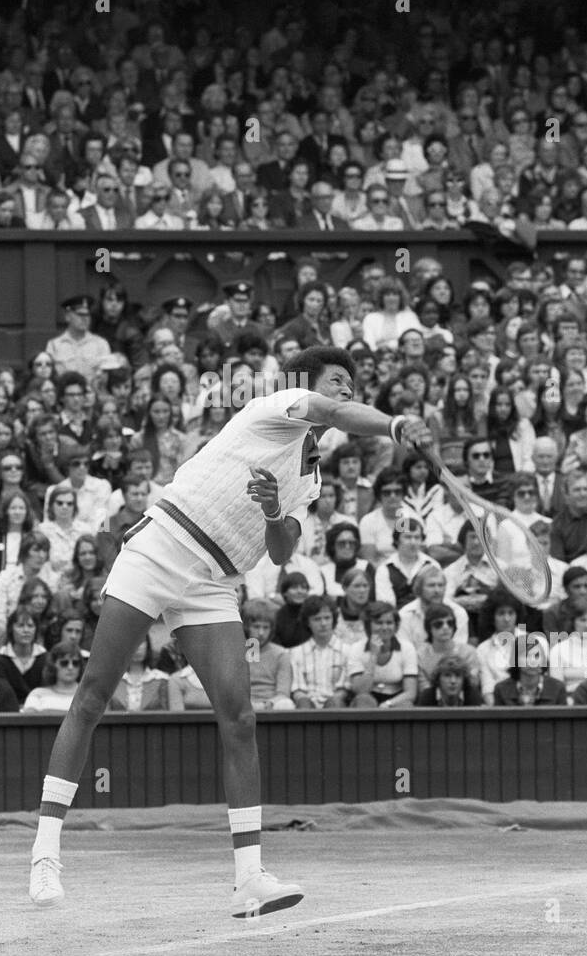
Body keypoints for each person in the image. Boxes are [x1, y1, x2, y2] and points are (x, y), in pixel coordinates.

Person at [28, 343, 431, 916]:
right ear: (311, 386)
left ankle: (248, 881)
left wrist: (272, 509)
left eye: (350, 384)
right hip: (163, 545)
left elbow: (283, 548)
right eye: (337, 381)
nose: (346, 391)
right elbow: (340, 414)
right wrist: (394, 424)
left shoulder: (310, 478)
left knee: (239, 717)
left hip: (214, 581)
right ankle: (45, 854)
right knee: (93, 696)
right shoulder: (280, 405)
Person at [340, 602, 418, 707]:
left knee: (406, 705)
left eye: (389, 623)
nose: (385, 627)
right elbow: (360, 690)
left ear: (396, 626)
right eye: (379, 623)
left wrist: (387, 704)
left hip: (396, 699)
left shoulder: (407, 648)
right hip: (367, 697)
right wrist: (373, 656)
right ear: (368, 625)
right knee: (363, 700)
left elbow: (410, 693)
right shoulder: (356, 649)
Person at [106, 639, 183, 711]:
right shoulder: (110, 681)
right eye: (132, 641)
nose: (138, 647)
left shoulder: (161, 679)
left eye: (141, 641)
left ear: (147, 645)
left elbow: (168, 715)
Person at [22, 643, 86, 715]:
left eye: (75, 663)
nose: (70, 667)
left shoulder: (88, 695)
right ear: (53, 665)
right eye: (64, 663)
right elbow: (28, 721)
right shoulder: (37, 694)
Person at [415, 652, 484, 707]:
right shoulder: (427, 696)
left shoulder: (472, 695)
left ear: (464, 679)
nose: (453, 681)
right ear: (438, 679)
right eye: (447, 675)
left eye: (458, 676)